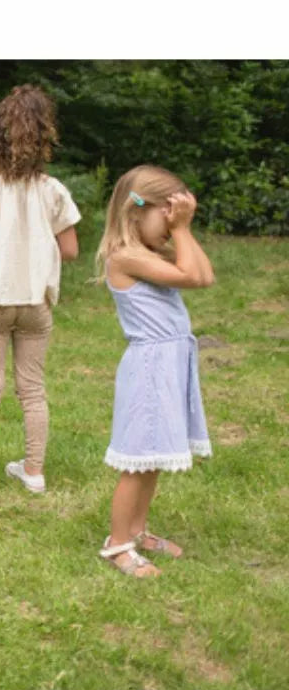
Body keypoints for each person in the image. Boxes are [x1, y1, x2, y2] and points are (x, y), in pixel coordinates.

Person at [0, 84, 81, 496]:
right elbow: (71, 250)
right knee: (33, 389)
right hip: (35, 303)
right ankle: (34, 471)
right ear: (45, 137)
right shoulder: (53, 191)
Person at [95, 165, 214, 577]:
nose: (170, 231)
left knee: (154, 456)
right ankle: (117, 544)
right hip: (149, 369)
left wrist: (181, 229)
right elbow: (191, 276)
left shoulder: (148, 254)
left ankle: (138, 530)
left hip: (168, 365)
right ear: (135, 212)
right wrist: (182, 230)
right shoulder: (125, 257)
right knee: (137, 461)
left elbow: (204, 275)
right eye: (166, 221)